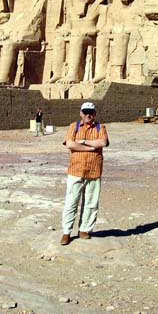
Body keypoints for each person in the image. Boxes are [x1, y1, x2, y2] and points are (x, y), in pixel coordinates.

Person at [60, 102, 109, 245]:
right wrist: (89, 148)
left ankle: (84, 230)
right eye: (85, 112)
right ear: (81, 113)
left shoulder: (101, 127)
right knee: (71, 202)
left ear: (94, 114)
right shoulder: (73, 126)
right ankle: (66, 232)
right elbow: (70, 144)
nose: (88, 115)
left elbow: (103, 142)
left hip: (94, 170)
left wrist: (82, 142)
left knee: (91, 203)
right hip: (76, 170)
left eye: (91, 112)